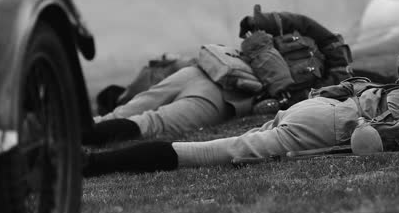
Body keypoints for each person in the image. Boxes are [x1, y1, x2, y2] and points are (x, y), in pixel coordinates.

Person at [83, 38, 399, 176]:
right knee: (213, 152)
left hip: (329, 107)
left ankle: (86, 153)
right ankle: (89, 165)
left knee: (176, 129)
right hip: (334, 123)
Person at [83, 9, 352, 146]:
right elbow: (301, 23)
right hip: (212, 72)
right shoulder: (309, 36)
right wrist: (260, 21)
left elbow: (311, 97)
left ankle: (74, 138)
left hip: (226, 91)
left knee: (147, 122)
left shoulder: (328, 81)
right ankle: (69, 134)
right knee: (130, 116)